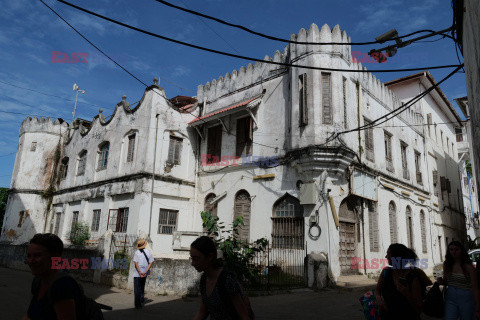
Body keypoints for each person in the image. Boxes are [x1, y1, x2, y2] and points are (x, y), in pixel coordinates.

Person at [190, 236, 252, 320]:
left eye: (196, 259)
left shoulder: (227, 280)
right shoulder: (204, 280)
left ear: (210, 257)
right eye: (192, 258)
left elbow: (244, 316)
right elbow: (202, 313)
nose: (192, 263)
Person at [22, 233, 81, 320]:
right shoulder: (38, 280)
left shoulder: (61, 286)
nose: (31, 261)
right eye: (29, 256)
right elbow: (29, 315)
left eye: (37, 256)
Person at [375, 243, 430, 320]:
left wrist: (406, 293)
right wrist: (379, 299)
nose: (386, 256)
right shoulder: (386, 272)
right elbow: (377, 289)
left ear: (396, 257)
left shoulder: (412, 277)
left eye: (388, 254)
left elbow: (419, 309)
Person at [438, 241, 480, 320]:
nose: (454, 252)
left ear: (461, 251)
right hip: (450, 295)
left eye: (456, 249)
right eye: (451, 249)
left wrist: (478, 307)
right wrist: (441, 281)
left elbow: (475, 288)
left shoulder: (468, 267)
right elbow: (446, 281)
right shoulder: (447, 264)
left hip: (466, 296)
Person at [133, 239, 154, 309]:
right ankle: (141, 299)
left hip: (137, 273)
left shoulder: (137, 252)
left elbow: (135, 263)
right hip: (145, 273)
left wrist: (139, 272)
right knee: (142, 286)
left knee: (137, 289)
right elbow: (151, 262)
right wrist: (146, 271)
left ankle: (138, 304)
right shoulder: (148, 252)